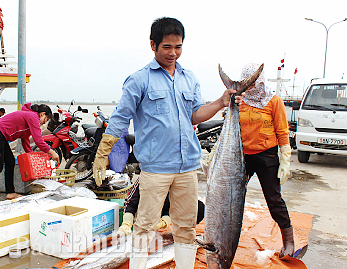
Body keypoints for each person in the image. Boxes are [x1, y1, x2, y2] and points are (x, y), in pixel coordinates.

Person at [92, 17, 244, 269]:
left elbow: (195, 115)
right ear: (153, 45)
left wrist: (220, 102)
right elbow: (120, 118)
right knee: (144, 226)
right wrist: (102, 152)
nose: (173, 53)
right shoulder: (139, 80)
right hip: (155, 169)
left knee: (186, 226)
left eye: (178, 47)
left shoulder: (189, 78)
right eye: (167, 47)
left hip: (188, 167)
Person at [238, 62, 294, 259]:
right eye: (247, 82)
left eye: (253, 81)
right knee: (232, 198)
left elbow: (282, 132)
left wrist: (285, 160)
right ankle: (228, 235)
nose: (251, 86)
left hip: (266, 156)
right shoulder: (240, 101)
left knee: (273, 199)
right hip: (241, 157)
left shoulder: (274, 101)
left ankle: (289, 240)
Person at [0, 103, 60, 204]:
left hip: (0, 136)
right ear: (42, 114)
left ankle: (10, 192)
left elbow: (25, 139)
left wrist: (32, 156)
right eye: (46, 120)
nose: (44, 123)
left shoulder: (29, 116)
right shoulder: (33, 117)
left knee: (10, 162)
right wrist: (52, 153)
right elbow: (38, 140)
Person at [118, 177, 205, 236]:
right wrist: (127, 223)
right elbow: (130, 202)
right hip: (149, 209)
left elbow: (179, 203)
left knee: (199, 207)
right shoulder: (145, 178)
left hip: (170, 208)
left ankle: (183, 228)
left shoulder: (177, 178)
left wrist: (163, 221)